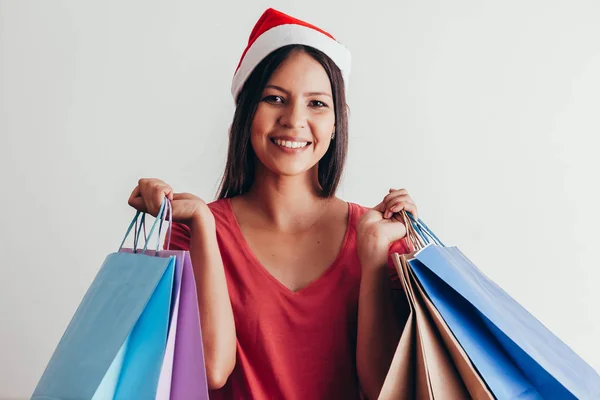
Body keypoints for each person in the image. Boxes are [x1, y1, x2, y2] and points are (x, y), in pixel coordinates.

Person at [128, 8, 418, 400]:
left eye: (317, 104)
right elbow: (211, 370)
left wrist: (371, 254)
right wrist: (201, 224)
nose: (294, 119)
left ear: (336, 124)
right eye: (275, 98)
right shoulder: (192, 232)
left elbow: (388, 390)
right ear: (248, 114)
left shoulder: (378, 239)